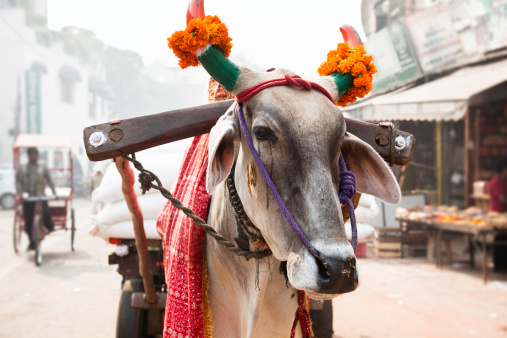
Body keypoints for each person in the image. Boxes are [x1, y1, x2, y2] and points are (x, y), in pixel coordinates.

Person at [15, 147, 57, 250]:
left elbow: (50, 179)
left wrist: (54, 191)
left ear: (37, 155)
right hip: (27, 199)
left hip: (40, 197)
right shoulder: (22, 167)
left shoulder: (43, 166)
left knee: (46, 214)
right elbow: (18, 182)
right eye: (31, 154)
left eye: (35, 154)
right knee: (28, 222)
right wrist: (20, 194)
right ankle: (32, 242)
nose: (33, 156)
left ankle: (49, 226)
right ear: (28, 156)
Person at [489, 158, 507, 272]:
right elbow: (503, 199)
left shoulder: (503, 180)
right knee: (501, 241)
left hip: (504, 215)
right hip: (499, 216)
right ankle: (500, 266)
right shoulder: (497, 181)